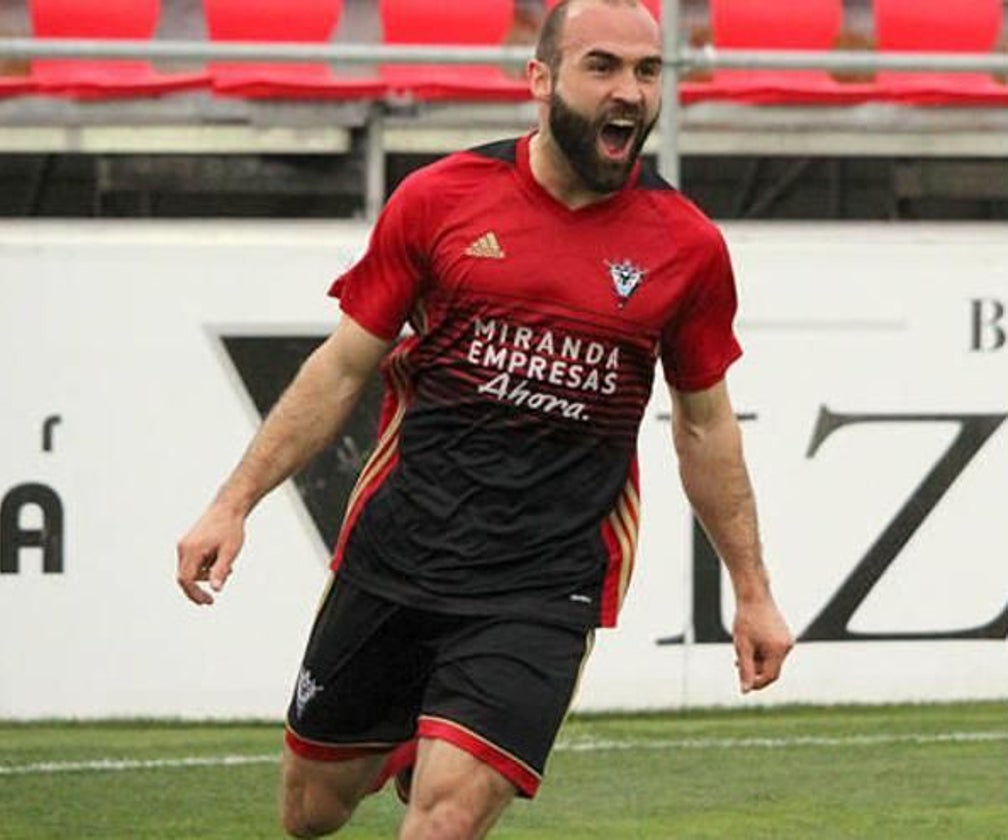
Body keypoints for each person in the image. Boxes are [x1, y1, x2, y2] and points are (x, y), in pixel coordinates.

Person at [176, 1, 794, 837]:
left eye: (648, 72)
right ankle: (405, 741)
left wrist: (752, 593)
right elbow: (341, 369)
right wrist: (232, 502)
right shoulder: (439, 200)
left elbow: (704, 427)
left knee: (445, 820)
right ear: (539, 81)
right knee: (309, 813)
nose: (632, 91)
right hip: (400, 553)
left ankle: (447, 754)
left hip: (544, 583)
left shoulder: (685, 247)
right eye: (603, 67)